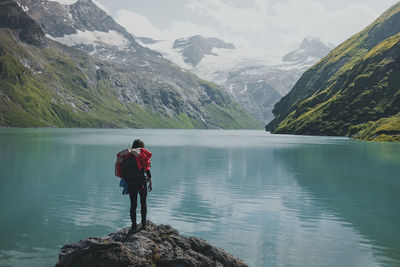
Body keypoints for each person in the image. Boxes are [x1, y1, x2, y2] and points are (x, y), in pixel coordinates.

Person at [117, 139, 152, 232]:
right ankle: (143, 225)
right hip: (141, 182)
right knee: (143, 203)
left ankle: (133, 226)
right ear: (141, 146)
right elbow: (147, 168)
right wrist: (150, 181)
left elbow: (120, 169)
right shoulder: (141, 155)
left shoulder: (126, 156)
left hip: (131, 183)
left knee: (133, 205)